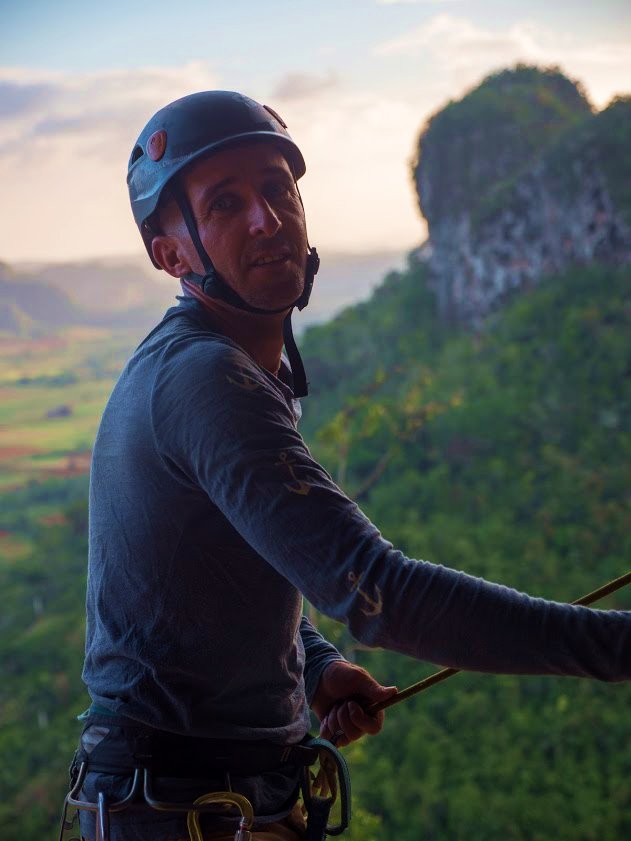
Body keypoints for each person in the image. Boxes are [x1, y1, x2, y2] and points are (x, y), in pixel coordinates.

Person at [71, 91, 631, 841]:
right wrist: (615, 646)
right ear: (169, 253)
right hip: (185, 809)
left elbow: (222, 563)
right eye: (225, 204)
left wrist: (313, 662)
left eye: (276, 189)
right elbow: (380, 591)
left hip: (195, 796)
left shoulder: (216, 366)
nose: (267, 219)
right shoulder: (206, 382)